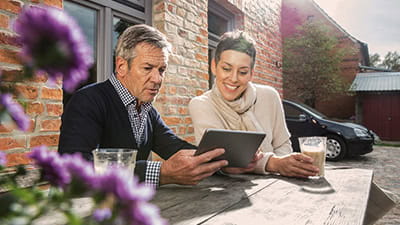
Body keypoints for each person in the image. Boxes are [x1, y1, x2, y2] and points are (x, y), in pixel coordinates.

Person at [58, 24, 228, 186]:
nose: (157, 79)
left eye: (161, 70)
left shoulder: (148, 111)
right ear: (122, 66)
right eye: (147, 68)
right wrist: (161, 173)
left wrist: (225, 161)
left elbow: (175, 147)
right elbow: (73, 170)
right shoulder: (88, 101)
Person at [189, 31, 319, 177]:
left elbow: (282, 144)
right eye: (226, 69)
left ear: (251, 73)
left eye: (243, 72)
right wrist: (276, 164)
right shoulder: (200, 105)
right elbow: (223, 159)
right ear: (214, 66)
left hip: (275, 184)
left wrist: (286, 167)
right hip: (225, 191)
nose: (233, 78)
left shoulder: (270, 96)